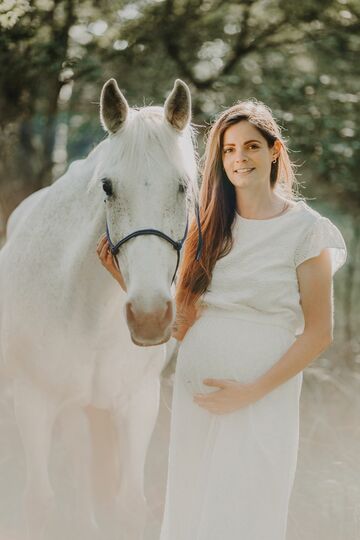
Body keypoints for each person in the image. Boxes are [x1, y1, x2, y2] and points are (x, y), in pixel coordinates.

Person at [97, 99, 347, 539]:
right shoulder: (206, 227)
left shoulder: (307, 229)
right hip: (198, 405)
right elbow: (182, 317)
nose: (239, 158)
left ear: (274, 151)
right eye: (229, 150)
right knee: (192, 517)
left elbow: (319, 332)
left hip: (262, 398)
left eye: (251, 146)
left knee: (243, 513)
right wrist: (126, 280)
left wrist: (250, 392)